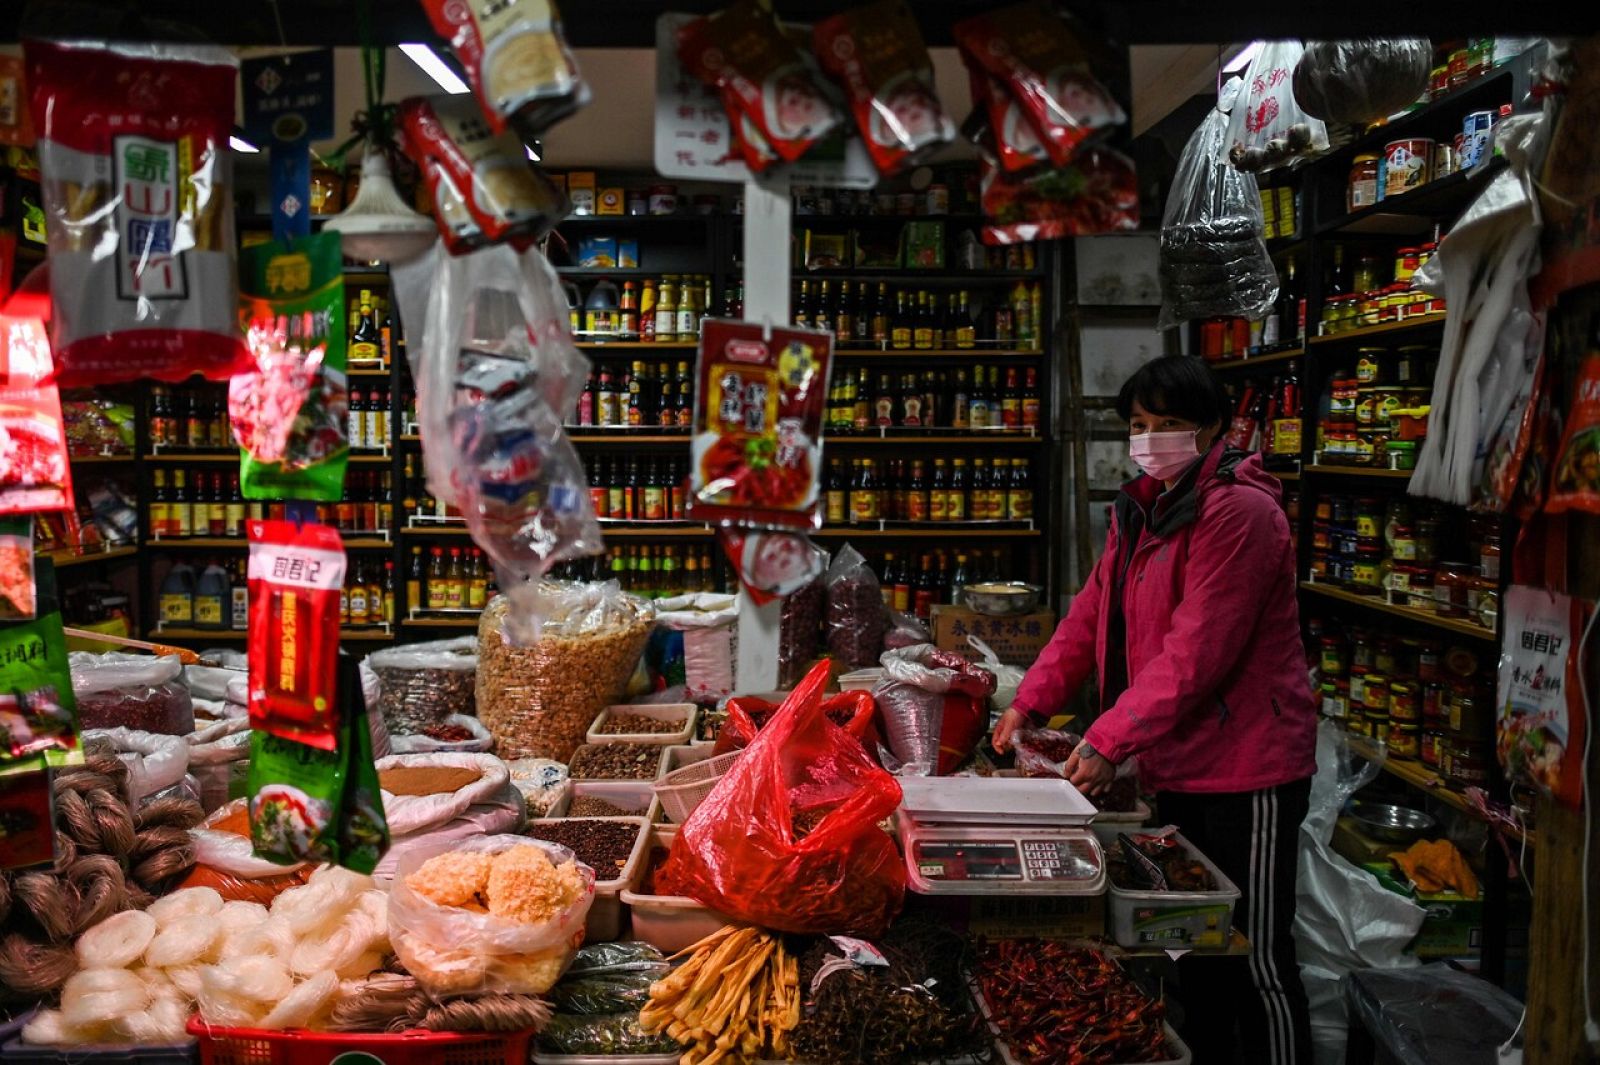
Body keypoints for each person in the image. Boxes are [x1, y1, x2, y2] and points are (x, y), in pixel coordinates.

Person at [994, 354, 1317, 1065]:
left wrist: (1109, 738)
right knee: (1194, 946)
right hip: (1180, 763)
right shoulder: (1145, 506)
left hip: (1249, 768)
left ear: (1217, 430)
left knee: (1255, 955)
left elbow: (1196, 651)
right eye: (1140, 425)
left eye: (1171, 425)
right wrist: (1031, 700)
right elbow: (1090, 615)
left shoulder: (1240, 513)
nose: (1152, 438)